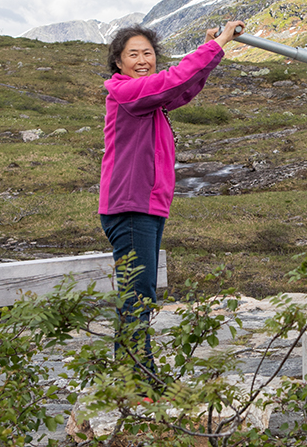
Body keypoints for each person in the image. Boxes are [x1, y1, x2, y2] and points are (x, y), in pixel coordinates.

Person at [99, 20, 244, 375]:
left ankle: (134, 374)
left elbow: (182, 89)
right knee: (138, 291)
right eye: (133, 54)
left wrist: (210, 50)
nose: (142, 59)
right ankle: (135, 379)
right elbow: (172, 81)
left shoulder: (146, 97)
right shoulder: (126, 92)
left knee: (141, 288)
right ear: (118, 62)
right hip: (130, 204)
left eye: (148, 53)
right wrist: (218, 43)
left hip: (145, 205)